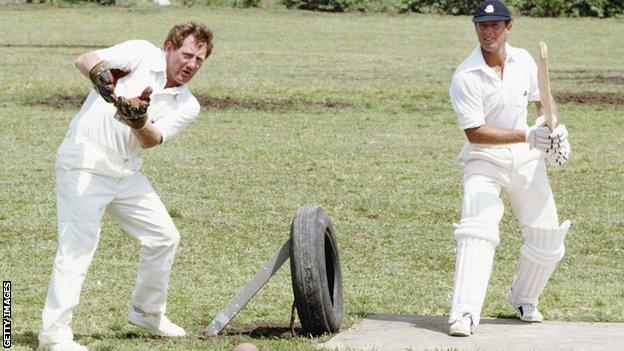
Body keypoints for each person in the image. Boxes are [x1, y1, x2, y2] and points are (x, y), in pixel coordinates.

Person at [38, 22, 213, 351]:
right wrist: (101, 77)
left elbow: (152, 140)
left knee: (164, 237)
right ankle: (54, 335)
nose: (191, 64)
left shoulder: (188, 104)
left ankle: (147, 312)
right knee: (77, 248)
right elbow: (84, 59)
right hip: (85, 159)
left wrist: (138, 119)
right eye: (187, 54)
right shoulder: (141, 53)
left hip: (127, 171)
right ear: (169, 48)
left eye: (199, 60)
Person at [447, 0, 571, 337]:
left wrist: (552, 127)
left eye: (496, 26)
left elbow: (542, 102)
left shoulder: (525, 61)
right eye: (483, 26)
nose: (489, 32)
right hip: (483, 159)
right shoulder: (465, 75)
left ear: (508, 27)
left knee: (548, 238)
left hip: (525, 157)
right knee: (478, 227)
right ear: (476, 28)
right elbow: (475, 132)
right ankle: (464, 313)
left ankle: (523, 297)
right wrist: (529, 134)